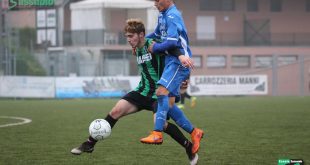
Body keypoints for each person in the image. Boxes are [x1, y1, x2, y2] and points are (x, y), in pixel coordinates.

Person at [71, 18, 198, 164]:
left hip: (159, 94)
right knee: (115, 112)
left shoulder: (155, 46)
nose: (129, 40)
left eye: (131, 36)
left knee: (161, 124)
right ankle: (89, 144)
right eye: (127, 37)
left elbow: (179, 56)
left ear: (141, 34)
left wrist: (185, 77)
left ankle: (188, 146)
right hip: (142, 91)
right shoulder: (137, 46)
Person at [140, 0, 204, 155]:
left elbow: (171, 42)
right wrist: (141, 42)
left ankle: (157, 134)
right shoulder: (163, 15)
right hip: (172, 61)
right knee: (168, 104)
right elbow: (156, 35)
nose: (155, 4)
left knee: (161, 92)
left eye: (157, 0)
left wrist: (154, 47)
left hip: (177, 62)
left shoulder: (173, 15)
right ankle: (194, 132)